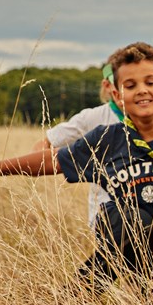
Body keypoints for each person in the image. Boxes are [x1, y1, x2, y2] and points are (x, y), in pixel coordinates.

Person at [0, 42, 153, 305]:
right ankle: (77, 298)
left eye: (150, 82)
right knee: (128, 218)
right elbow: (53, 161)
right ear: (117, 95)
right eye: (130, 86)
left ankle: (75, 299)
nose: (141, 90)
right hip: (121, 232)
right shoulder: (108, 138)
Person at [31, 55, 121, 228]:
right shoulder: (93, 117)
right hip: (106, 214)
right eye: (122, 83)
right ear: (108, 86)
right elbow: (46, 142)